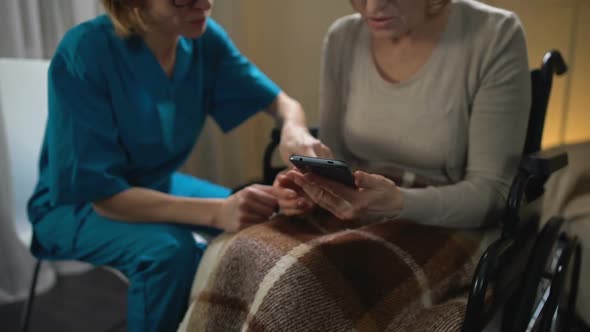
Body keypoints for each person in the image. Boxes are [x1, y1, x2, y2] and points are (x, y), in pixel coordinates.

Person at [26, 0, 325, 331]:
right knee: (169, 253)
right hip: (75, 205)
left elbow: (283, 103)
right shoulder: (86, 51)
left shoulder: (204, 39)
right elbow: (103, 194)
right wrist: (218, 211)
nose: (205, 4)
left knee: (262, 220)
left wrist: (293, 130)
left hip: (155, 184)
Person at [275, 0, 531, 228]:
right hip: (354, 202)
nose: (372, 8)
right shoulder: (343, 37)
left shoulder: (495, 35)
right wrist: (304, 187)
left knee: (307, 277)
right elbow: (334, 156)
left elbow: (492, 194)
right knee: (245, 252)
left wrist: (399, 203)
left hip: (444, 218)